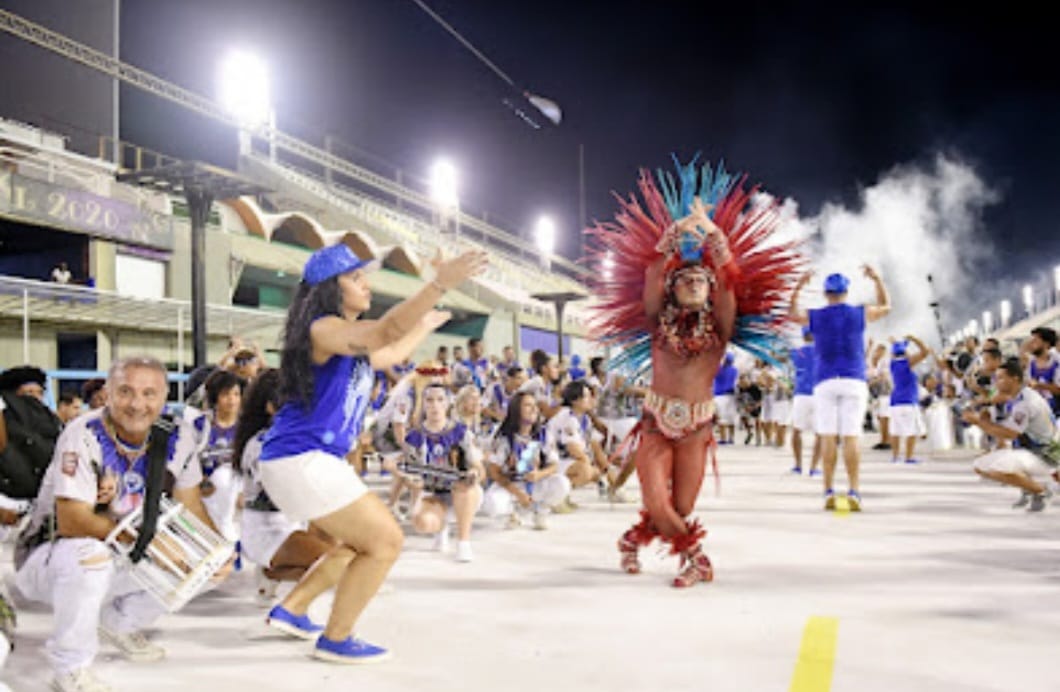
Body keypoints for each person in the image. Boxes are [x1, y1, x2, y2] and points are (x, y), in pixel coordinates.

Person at [258, 243, 486, 663]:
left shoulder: (346, 342)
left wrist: (426, 323)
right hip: (300, 458)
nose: (367, 285)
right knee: (385, 541)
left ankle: (292, 610)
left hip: (303, 460)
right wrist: (438, 285)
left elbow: (392, 351)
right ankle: (337, 637)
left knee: (356, 543)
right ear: (331, 288)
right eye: (356, 278)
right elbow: (384, 333)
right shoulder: (322, 329)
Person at [588, 159, 801, 587]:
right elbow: (652, 271)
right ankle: (696, 558)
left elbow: (730, 282)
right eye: (684, 279)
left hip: (697, 428)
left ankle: (631, 540)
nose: (693, 283)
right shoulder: (656, 320)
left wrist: (712, 234)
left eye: (701, 281)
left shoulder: (720, 329)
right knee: (656, 500)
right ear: (672, 289)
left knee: (680, 508)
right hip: (655, 424)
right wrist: (675, 235)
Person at [14, 356, 225, 692]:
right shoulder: (83, 432)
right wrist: (150, 543)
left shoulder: (177, 435)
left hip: (122, 546)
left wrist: (219, 549)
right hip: (51, 557)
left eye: (149, 393)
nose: (137, 404)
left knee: (205, 560)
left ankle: (119, 623)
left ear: (164, 396)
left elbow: (191, 502)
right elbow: (72, 521)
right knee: (89, 555)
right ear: (108, 393)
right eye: (125, 391)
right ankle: (71, 666)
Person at [233, 370, 353, 621]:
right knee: (339, 564)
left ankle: (272, 574)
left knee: (338, 546)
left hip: (292, 523)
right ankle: (290, 609)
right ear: (270, 408)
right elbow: (285, 490)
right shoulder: (260, 444)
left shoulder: (291, 438)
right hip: (267, 531)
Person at [790, 267, 891, 511]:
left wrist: (799, 286)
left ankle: (828, 490)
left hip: (825, 379)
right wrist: (877, 278)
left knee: (827, 435)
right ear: (846, 292)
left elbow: (792, 314)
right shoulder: (859, 312)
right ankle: (854, 490)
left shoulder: (817, 316)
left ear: (826, 294)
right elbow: (886, 306)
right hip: (854, 378)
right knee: (851, 436)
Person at [401, 383, 484, 562]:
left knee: (464, 489)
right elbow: (409, 472)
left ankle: (463, 542)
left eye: (440, 400)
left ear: (448, 404)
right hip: (433, 493)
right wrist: (411, 481)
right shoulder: (414, 436)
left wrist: (474, 474)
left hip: (461, 492)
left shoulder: (461, 432)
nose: (435, 405)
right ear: (423, 404)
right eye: (429, 400)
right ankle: (441, 528)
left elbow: (478, 467)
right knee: (422, 523)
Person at [963, 359, 1058, 511]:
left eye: (1000, 378)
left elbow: (1010, 434)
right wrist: (984, 410)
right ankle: (1032, 489)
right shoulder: (1018, 395)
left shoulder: (1025, 402)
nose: (996, 382)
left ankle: (1041, 491)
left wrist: (979, 422)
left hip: (1047, 454)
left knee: (997, 469)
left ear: (1014, 379)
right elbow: (993, 400)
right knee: (980, 465)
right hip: (1032, 451)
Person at [483, 391, 570, 530]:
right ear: (517, 410)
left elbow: (554, 465)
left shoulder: (543, 433)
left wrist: (539, 474)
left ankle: (541, 510)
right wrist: (517, 493)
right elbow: (494, 472)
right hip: (510, 485)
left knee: (562, 483)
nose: (534, 409)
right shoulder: (503, 436)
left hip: (535, 482)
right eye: (528, 405)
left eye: (535, 405)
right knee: (492, 503)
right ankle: (511, 513)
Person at [888, 335, 931, 464]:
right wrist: (914, 339)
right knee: (910, 430)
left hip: (895, 401)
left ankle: (895, 456)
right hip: (908, 400)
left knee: (895, 430)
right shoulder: (908, 362)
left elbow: (895, 352)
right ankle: (909, 456)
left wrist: (895, 343)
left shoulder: (893, 364)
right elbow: (925, 351)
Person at [789, 328, 821, 476]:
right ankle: (814, 467)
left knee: (796, 430)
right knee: (820, 433)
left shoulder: (797, 352)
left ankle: (798, 465)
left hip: (800, 393)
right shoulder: (822, 350)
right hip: (818, 393)